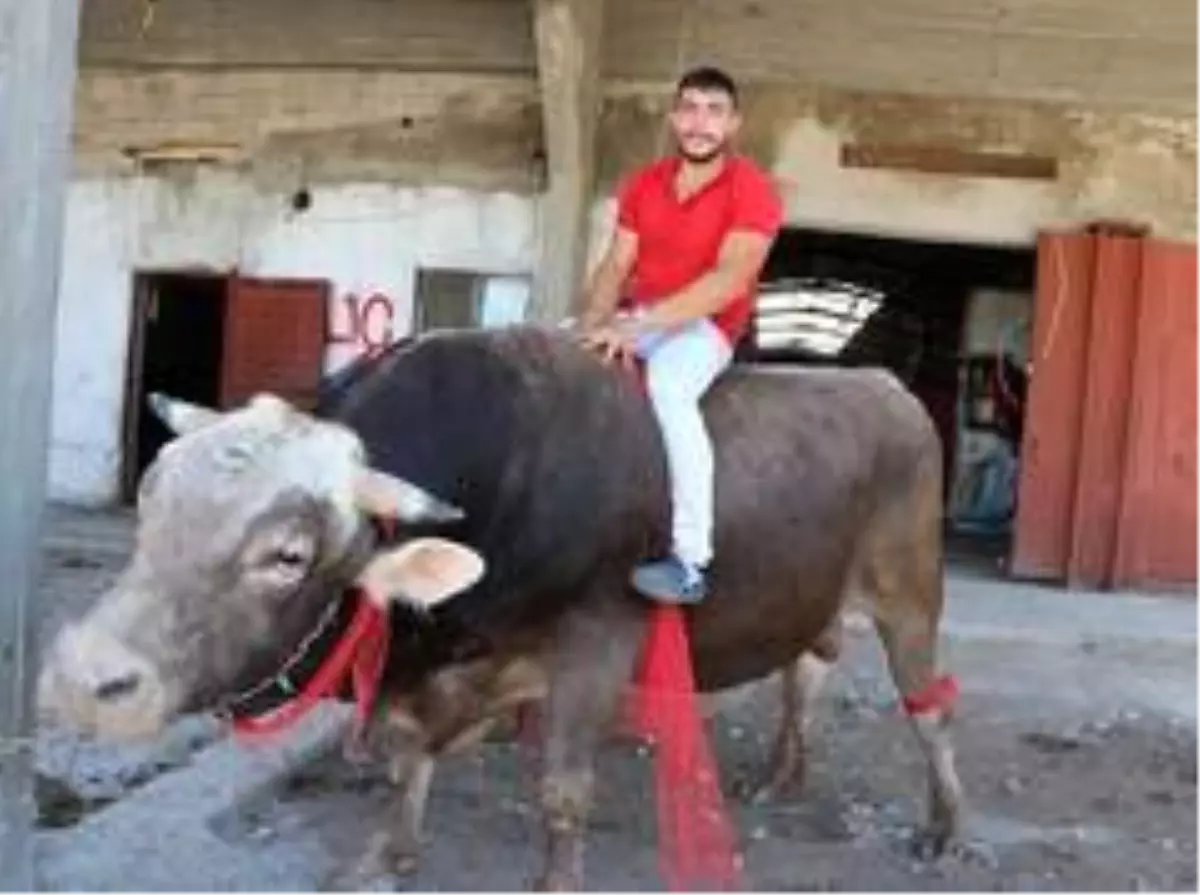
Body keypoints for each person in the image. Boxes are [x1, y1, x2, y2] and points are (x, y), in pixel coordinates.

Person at [577, 65, 784, 605]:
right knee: (562, 357)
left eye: (714, 111)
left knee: (669, 388)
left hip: (706, 326)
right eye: (690, 109)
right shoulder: (644, 183)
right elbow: (615, 265)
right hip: (642, 314)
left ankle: (690, 560)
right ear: (674, 117)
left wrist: (638, 324)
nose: (700, 122)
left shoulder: (754, 191)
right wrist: (595, 325)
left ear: (733, 124)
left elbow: (728, 279)